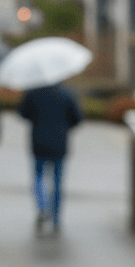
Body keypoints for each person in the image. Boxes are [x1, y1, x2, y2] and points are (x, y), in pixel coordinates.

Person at [18, 82, 83, 234]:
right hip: (59, 143)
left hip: (39, 142)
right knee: (57, 181)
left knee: (39, 177)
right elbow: (77, 118)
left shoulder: (33, 92)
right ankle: (56, 217)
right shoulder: (67, 94)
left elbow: (22, 113)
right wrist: (64, 127)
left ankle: (42, 208)